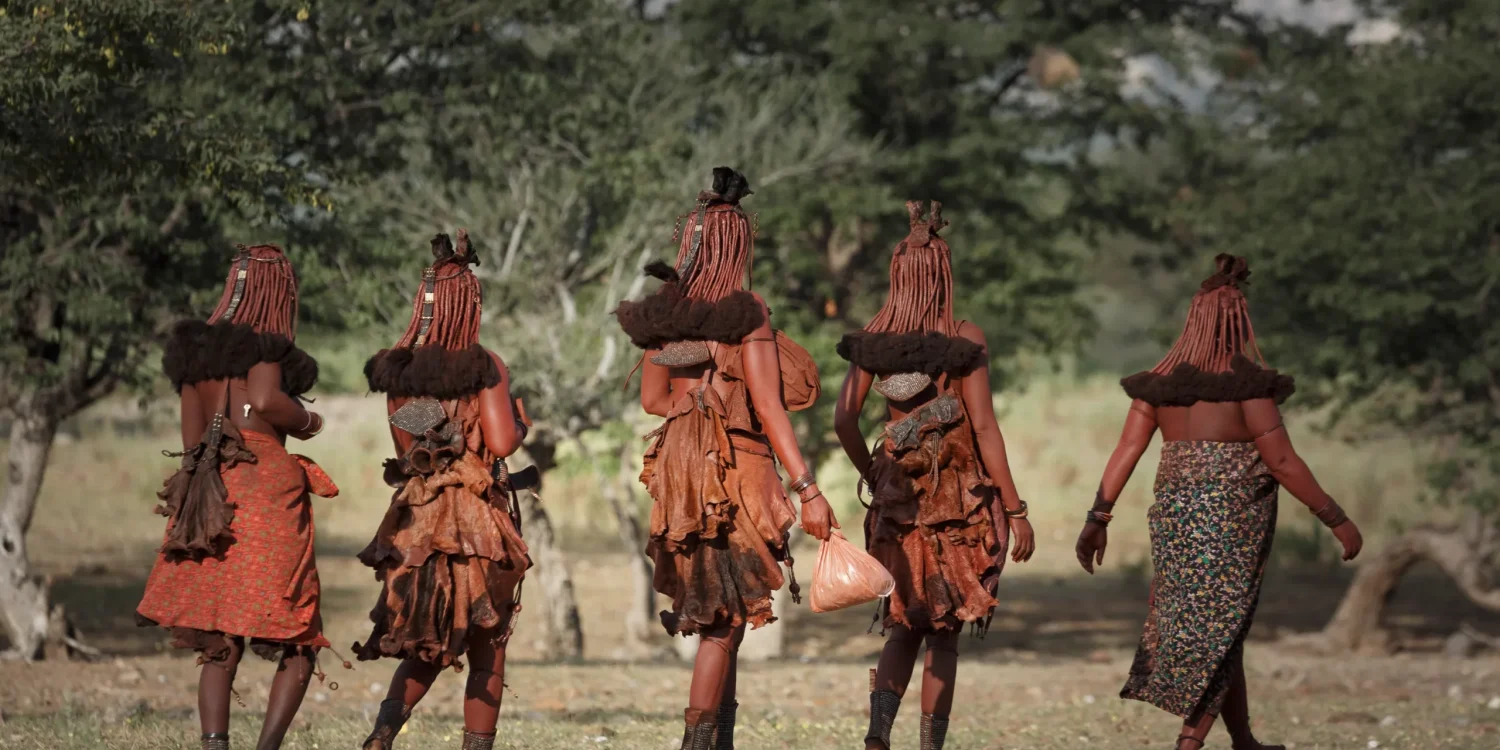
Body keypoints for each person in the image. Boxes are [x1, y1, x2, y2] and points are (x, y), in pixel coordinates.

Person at [1074, 254, 1364, 750]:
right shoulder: (1245, 385)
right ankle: (1190, 743)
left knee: (1217, 628)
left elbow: (1127, 450)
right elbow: (1284, 462)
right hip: (1230, 521)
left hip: (1173, 519)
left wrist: (1097, 518)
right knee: (1221, 630)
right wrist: (1336, 519)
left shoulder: (1160, 386)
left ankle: (1244, 740)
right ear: (1237, 323)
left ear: (1193, 319)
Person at [614, 167, 834, 749]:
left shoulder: (666, 315)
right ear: (738, 247)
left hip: (678, 471)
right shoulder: (746, 312)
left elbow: (655, 400)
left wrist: (694, 412)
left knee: (723, 613)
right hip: (736, 470)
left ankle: (719, 742)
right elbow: (771, 406)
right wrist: (807, 487)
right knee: (723, 622)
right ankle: (695, 743)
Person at [833, 201, 1036, 750]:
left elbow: (843, 419)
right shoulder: (965, 335)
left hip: (897, 497)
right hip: (957, 504)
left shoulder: (873, 339)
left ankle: (877, 738)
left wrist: (873, 477)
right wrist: (1015, 510)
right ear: (944, 273)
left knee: (902, 621)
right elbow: (986, 429)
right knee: (944, 632)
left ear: (896, 273)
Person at [136, 244, 337, 750]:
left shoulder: (193, 356)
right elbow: (267, 400)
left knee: (220, 638)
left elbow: (190, 445)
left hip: (209, 492)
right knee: (297, 634)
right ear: (278, 293)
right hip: (267, 488)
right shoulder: (266, 344)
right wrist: (311, 421)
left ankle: (215, 744)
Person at [354, 230, 532, 750]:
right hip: (476, 518)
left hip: (420, 517)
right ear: (469, 304)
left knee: (427, 633)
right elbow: (501, 443)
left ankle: (383, 734)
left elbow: (407, 447)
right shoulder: (484, 364)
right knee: (489, 639)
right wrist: (523, 422)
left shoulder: (397, 370)